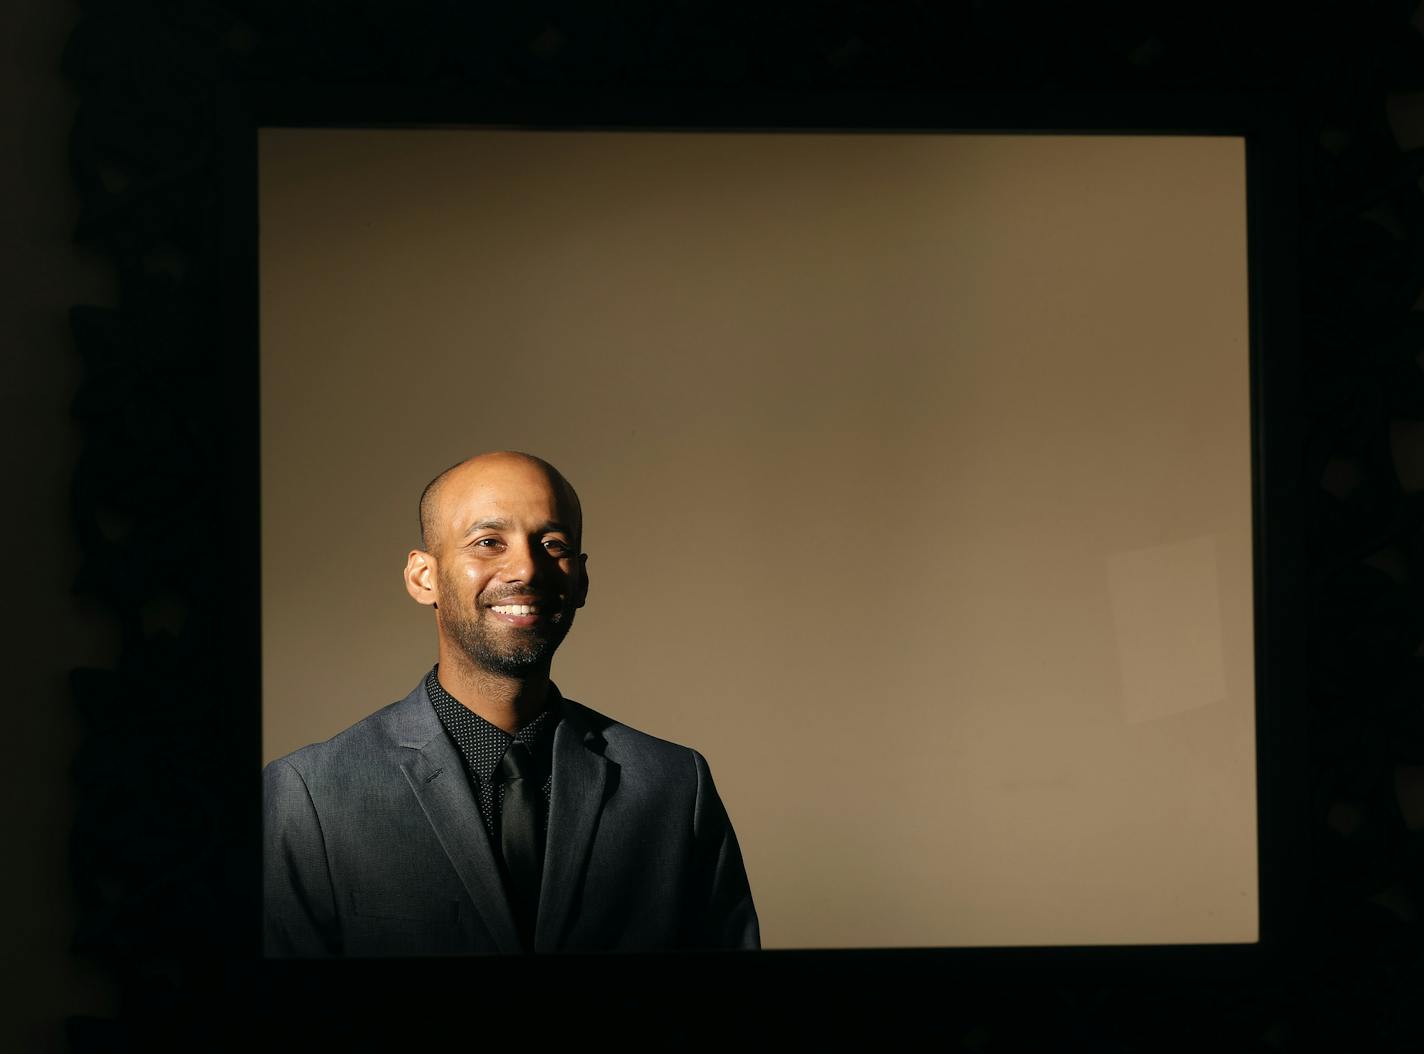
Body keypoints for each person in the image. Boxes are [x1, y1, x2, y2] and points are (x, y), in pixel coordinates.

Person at [263, 451, 759, 956]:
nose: (526, 567)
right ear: (423, 577)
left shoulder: (674, 786)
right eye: (488, 542)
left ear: (581, 579)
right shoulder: (309, 797)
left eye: (553, 544)